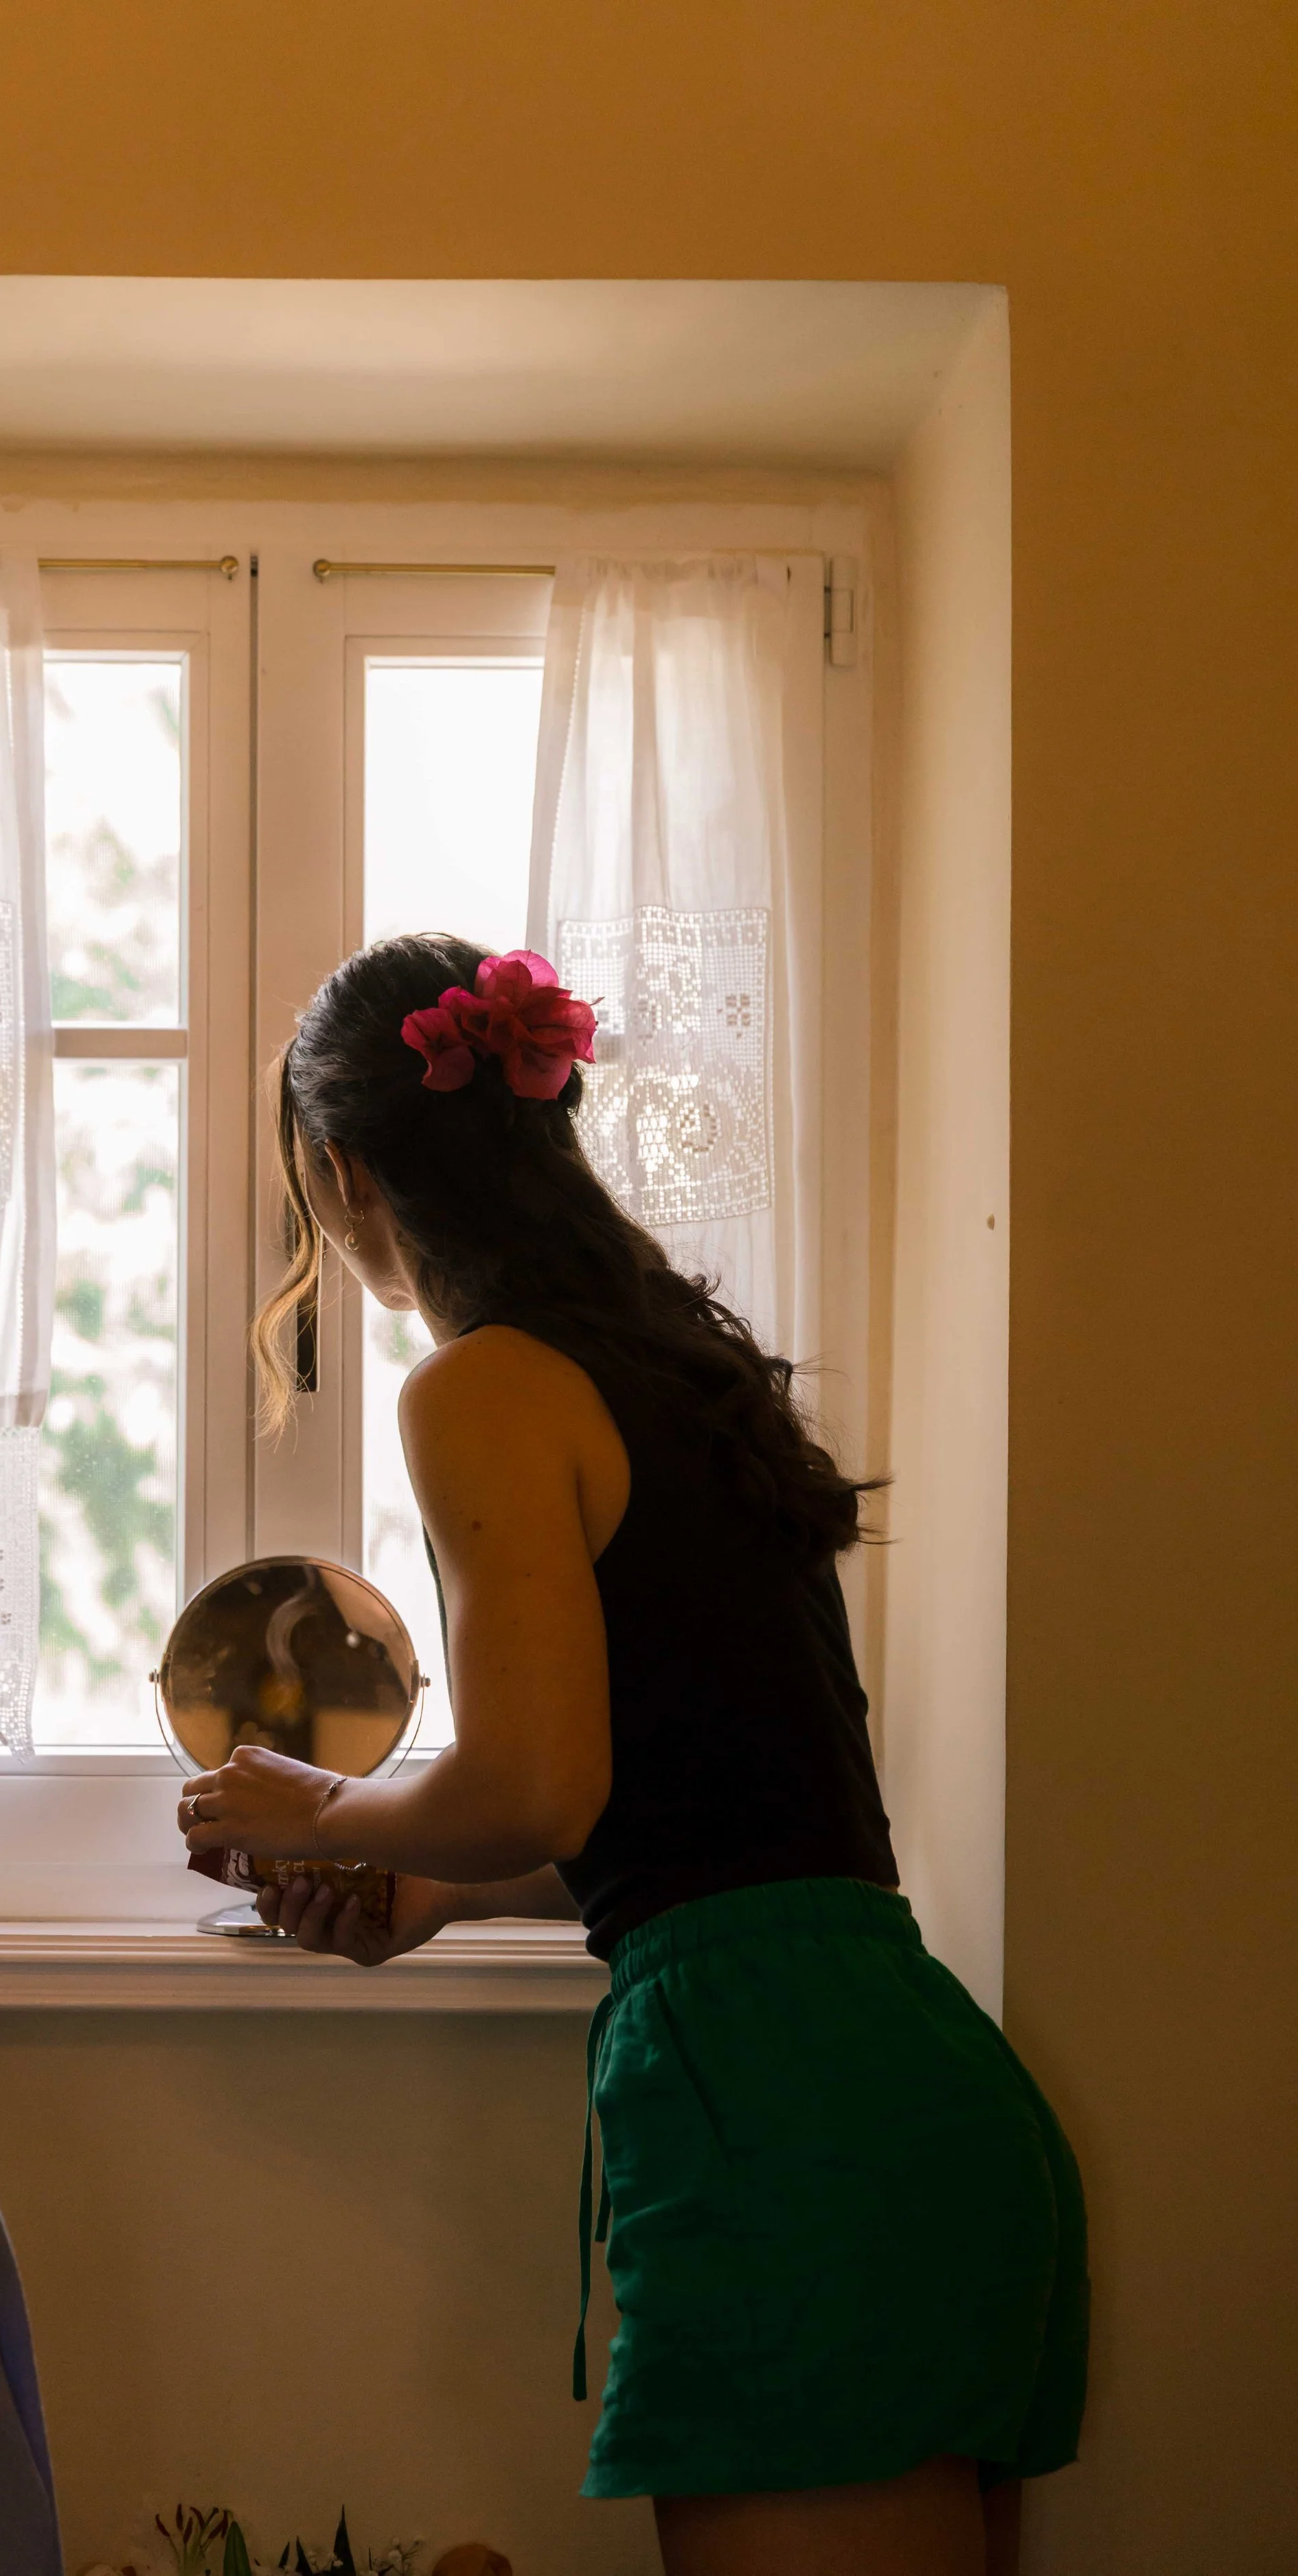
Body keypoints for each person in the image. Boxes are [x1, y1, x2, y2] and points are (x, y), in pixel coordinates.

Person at [179, 936, 1089, 2576]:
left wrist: (320, 1800)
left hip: (775, 2118)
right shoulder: (683, 1369)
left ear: (336, 1166)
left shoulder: (480, 1389)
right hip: (905, 2078)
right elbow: (714, 1814)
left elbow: (535, 1784)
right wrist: (437, 1892)